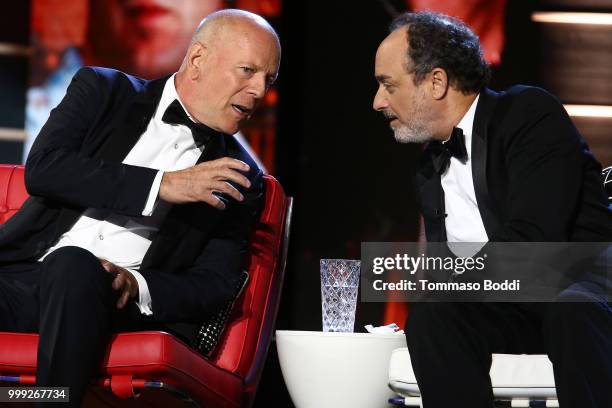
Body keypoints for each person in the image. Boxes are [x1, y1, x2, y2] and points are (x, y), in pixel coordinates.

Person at [0, 9, 280, 407]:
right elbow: (45, 169)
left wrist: (137, 285)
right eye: (248, 70)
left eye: (268, 79)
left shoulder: (239, 176)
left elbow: (213, 284)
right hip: (24, 276)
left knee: (74, 264)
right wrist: (162, 185)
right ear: (198, 59)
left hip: (111, 297)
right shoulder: (103, 91)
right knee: (64, 261)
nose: (258, 90)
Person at [373, 11, 611, 408]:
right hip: (513, 310)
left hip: (582, 298)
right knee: (433, 319)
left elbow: (535, 246)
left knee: (568, 310)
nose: (378, 101)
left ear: (436, 82)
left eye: (388, 84)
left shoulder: (527, 115)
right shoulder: (430, 167)